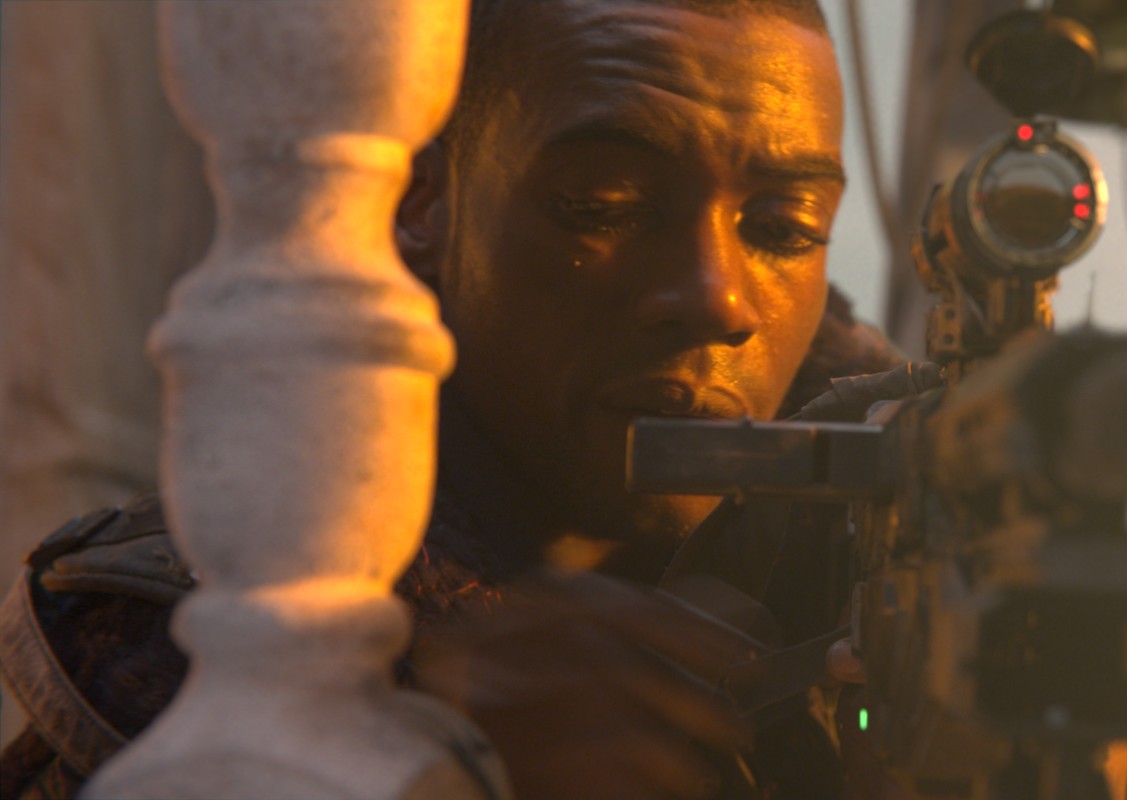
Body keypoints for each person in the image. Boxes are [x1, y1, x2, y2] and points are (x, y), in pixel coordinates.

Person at [0, 1, 905, 798]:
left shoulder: (899, 530)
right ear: (421, 203)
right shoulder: (213, 636)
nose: (719, 298)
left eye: (784, 228)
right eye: (606, 204)